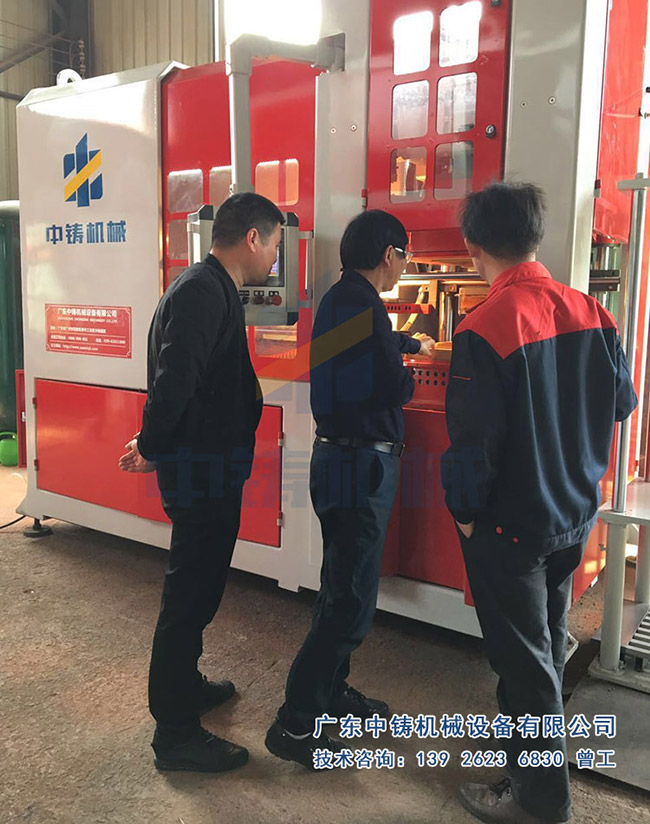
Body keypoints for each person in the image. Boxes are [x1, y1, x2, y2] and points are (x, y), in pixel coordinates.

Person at [441, 182, 637, 823]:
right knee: (546, 645)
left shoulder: (482, 327)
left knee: (523, 665)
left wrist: (464, 515)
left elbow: (472, 448)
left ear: (473, 246)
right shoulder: (594, 313)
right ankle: (527, 760)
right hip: (574, 518)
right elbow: (622, 404)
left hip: (511, 530)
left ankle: (542, 801)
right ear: (535, 237)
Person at [119, 192, 284, 773]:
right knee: (188, 597)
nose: (276, 257)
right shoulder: (201, 291)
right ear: (253, 238)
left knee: (202, 588)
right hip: (200, 472)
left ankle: (185, 686)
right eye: (275, 244)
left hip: (211, 467)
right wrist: (152, 445)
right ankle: (175, 734)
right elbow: (174, 381)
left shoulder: (212, 288)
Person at [265, 209, 435, 767]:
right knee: (350, 603)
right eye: (405, 257)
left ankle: (332, 692)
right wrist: (407, 362)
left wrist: (403, 342)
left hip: (336, 459)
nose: (404, 267)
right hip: (362, 466)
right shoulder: (364, 306)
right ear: (390, 254)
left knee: (340, 586)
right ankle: (295, 724)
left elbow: (365, 353)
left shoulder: (343, 299)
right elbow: (394, 386)